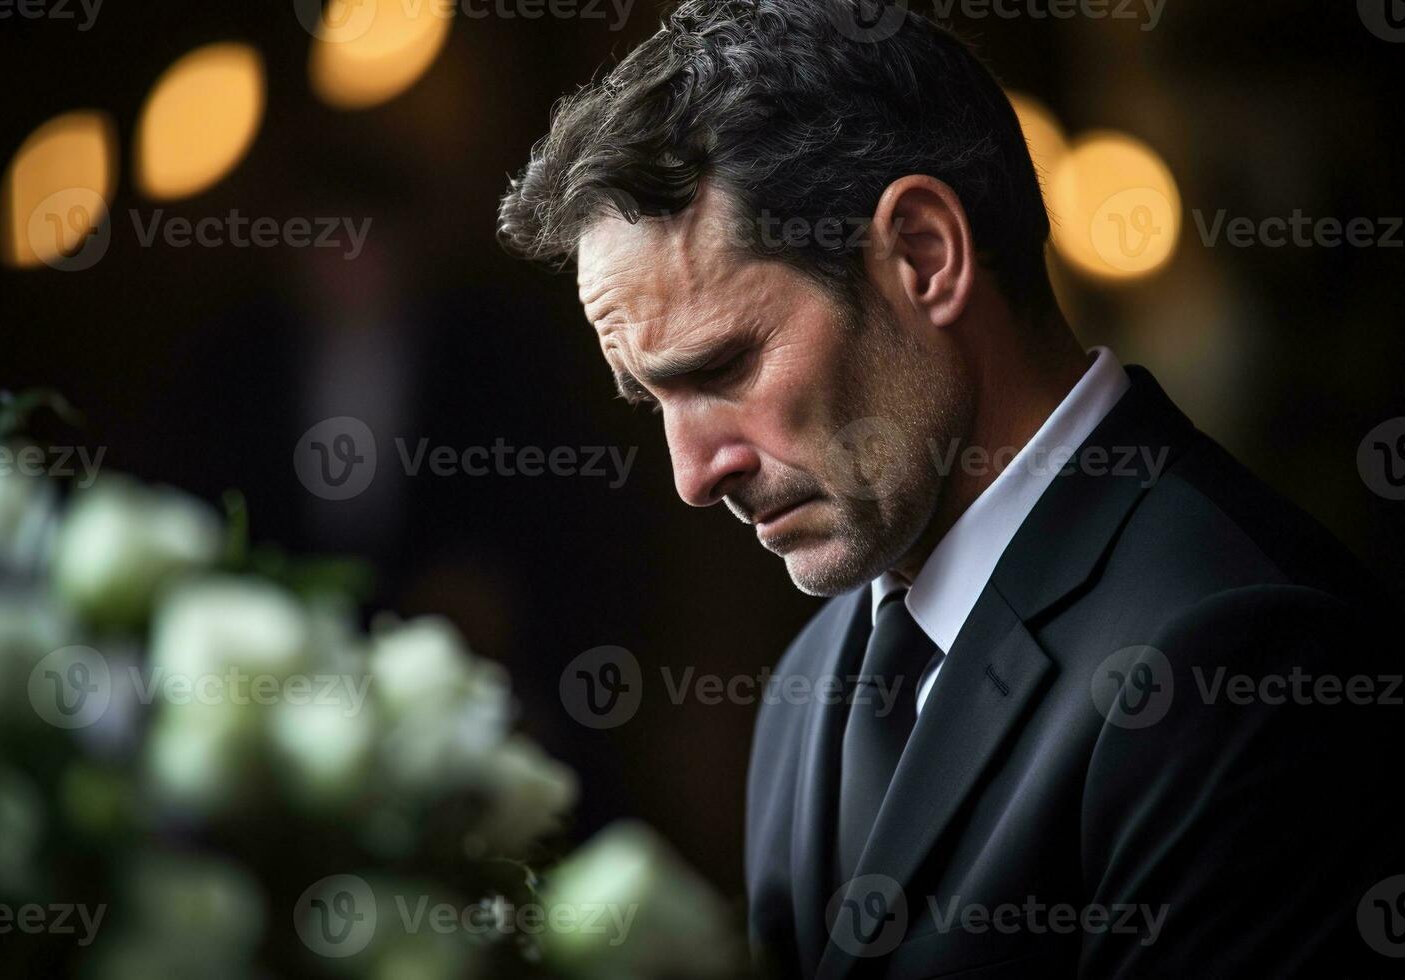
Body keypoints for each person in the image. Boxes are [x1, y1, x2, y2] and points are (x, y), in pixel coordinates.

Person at [496, 1, 1399, 975]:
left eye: (723, 368)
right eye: (652, 398)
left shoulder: (1240, 653)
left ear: (925, 254)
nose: (692, 472)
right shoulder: (812, 679)